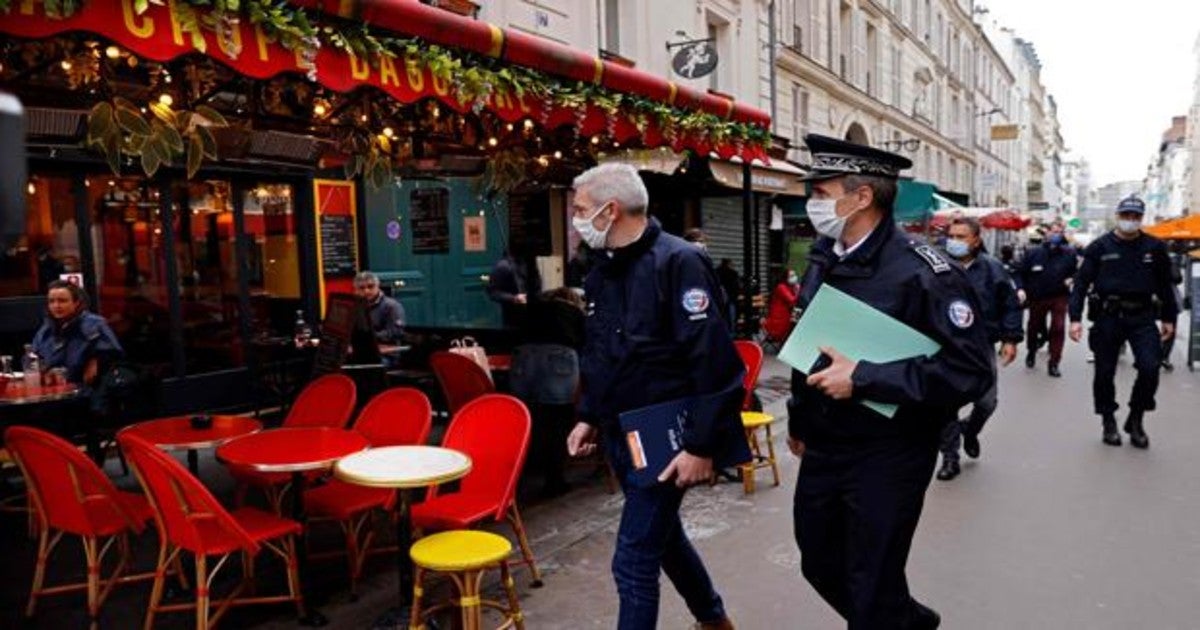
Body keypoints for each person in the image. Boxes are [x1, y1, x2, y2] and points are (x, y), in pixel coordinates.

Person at [786, 134, 994, 629]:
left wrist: (865, 378)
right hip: (824, 443)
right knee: (819, 562)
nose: (812, 202)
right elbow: (809, 346)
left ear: (861, 197)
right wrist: (799, 419)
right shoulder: (825, 256)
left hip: (890, 450)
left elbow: (970, 370)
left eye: (821, 191)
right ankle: (907, 622)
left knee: (870, 580)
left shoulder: (926, 273)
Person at [565, 163, 741, 630]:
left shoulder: (679, 261)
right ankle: (714, 618)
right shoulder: (601, 268)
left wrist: (701, 446)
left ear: (611, 209)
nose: (576, 219)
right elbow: (602, 352)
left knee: (633, 559)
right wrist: (588, 415)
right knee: (665, 540)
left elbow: (715, 363)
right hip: (622, 432)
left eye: (581, 209)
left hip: (669, 434)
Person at [1068, 196, 1177, 449]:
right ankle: (1108, 419)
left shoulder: (1154, 247)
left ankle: (1136, 418)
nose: (1130, 221)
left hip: (1142, 316)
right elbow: (1081, 283)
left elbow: (1165, 285)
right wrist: (1075, 318)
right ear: (1118, 216)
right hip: (1108, 316)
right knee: (1105, 372)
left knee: (1150, 368)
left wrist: (1169, 318)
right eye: (1126, 215)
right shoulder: (1099, 247)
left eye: (1135, 217)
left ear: (1141, 218)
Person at [935, 217, 1023, 481]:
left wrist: (1011, 339)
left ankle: (971, 430)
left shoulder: (993, 269)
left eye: (962, 237)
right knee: (944, 403)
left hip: (980, 344)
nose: (955, 241)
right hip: (944, 343)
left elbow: (1010, 305)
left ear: (976, 240)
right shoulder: (937, 265)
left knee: (986, 401)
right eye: (952, 236)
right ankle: (950, 457)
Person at [510, 287, 586, 498]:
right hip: (559, 358)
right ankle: (554, 480)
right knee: (557, 420)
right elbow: (585, 342)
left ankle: (518, 475)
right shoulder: (574, 312)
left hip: (524, 358)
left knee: (526, 417)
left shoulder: (534, 309)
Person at [30, 279, 123, 386]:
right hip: (55, 386)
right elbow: (35, 358)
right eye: (51, 301)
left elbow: (110, 356)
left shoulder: (94, 323)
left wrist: (95, 361)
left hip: (89, 388)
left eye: (62, 301)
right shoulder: (47, 328)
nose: (56, 306)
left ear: (76, 303)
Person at [1016, 222, 1077, 377]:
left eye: (1060, 232)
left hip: (1059, 296)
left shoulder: (1069, 253)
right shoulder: (1033, 253)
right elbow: (1020, 273)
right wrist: (1021, 289)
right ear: (1047, 233)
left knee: (1058, 327)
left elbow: (1077, 272)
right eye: (1054, 231)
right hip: (1037, 296)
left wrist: (1072, 279)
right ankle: (1031, 351)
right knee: (1034, 326)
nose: (1057, 234)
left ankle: (1054, 362)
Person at [487, 246, 542, 328]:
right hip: (513, 318)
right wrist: (514, 298)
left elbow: (537, 286)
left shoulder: (530, 263)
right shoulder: (503, 266)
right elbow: (493, 292)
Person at [353, 271, 406, 345]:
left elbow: (396, 332)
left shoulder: (392, 306)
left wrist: (369, 337)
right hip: (364, 346)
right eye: (361, 288)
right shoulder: (355, 306)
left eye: (370, 286)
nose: (366, 291)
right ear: (356, 290)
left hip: (387, 351)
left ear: (378, 286)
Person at [763, 268, 800, 343]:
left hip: (788, 315)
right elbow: (792, 300)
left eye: (794, 275)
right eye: (791, 276)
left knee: (798, 317)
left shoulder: (791, 287)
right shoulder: (781, 287)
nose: (794, 277)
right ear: (785, 278)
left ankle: (790, 342)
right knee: (797, 323)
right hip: (779, 319)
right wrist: (798, 290)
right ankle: (789, 343)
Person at [716, 258, 741, 331]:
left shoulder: (716, 272)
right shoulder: (733, 273)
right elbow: (737, 286)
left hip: (719, 299)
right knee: (731, 316)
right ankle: (731, 332)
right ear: (729, 264)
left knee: (721, 316)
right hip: (731, 298)